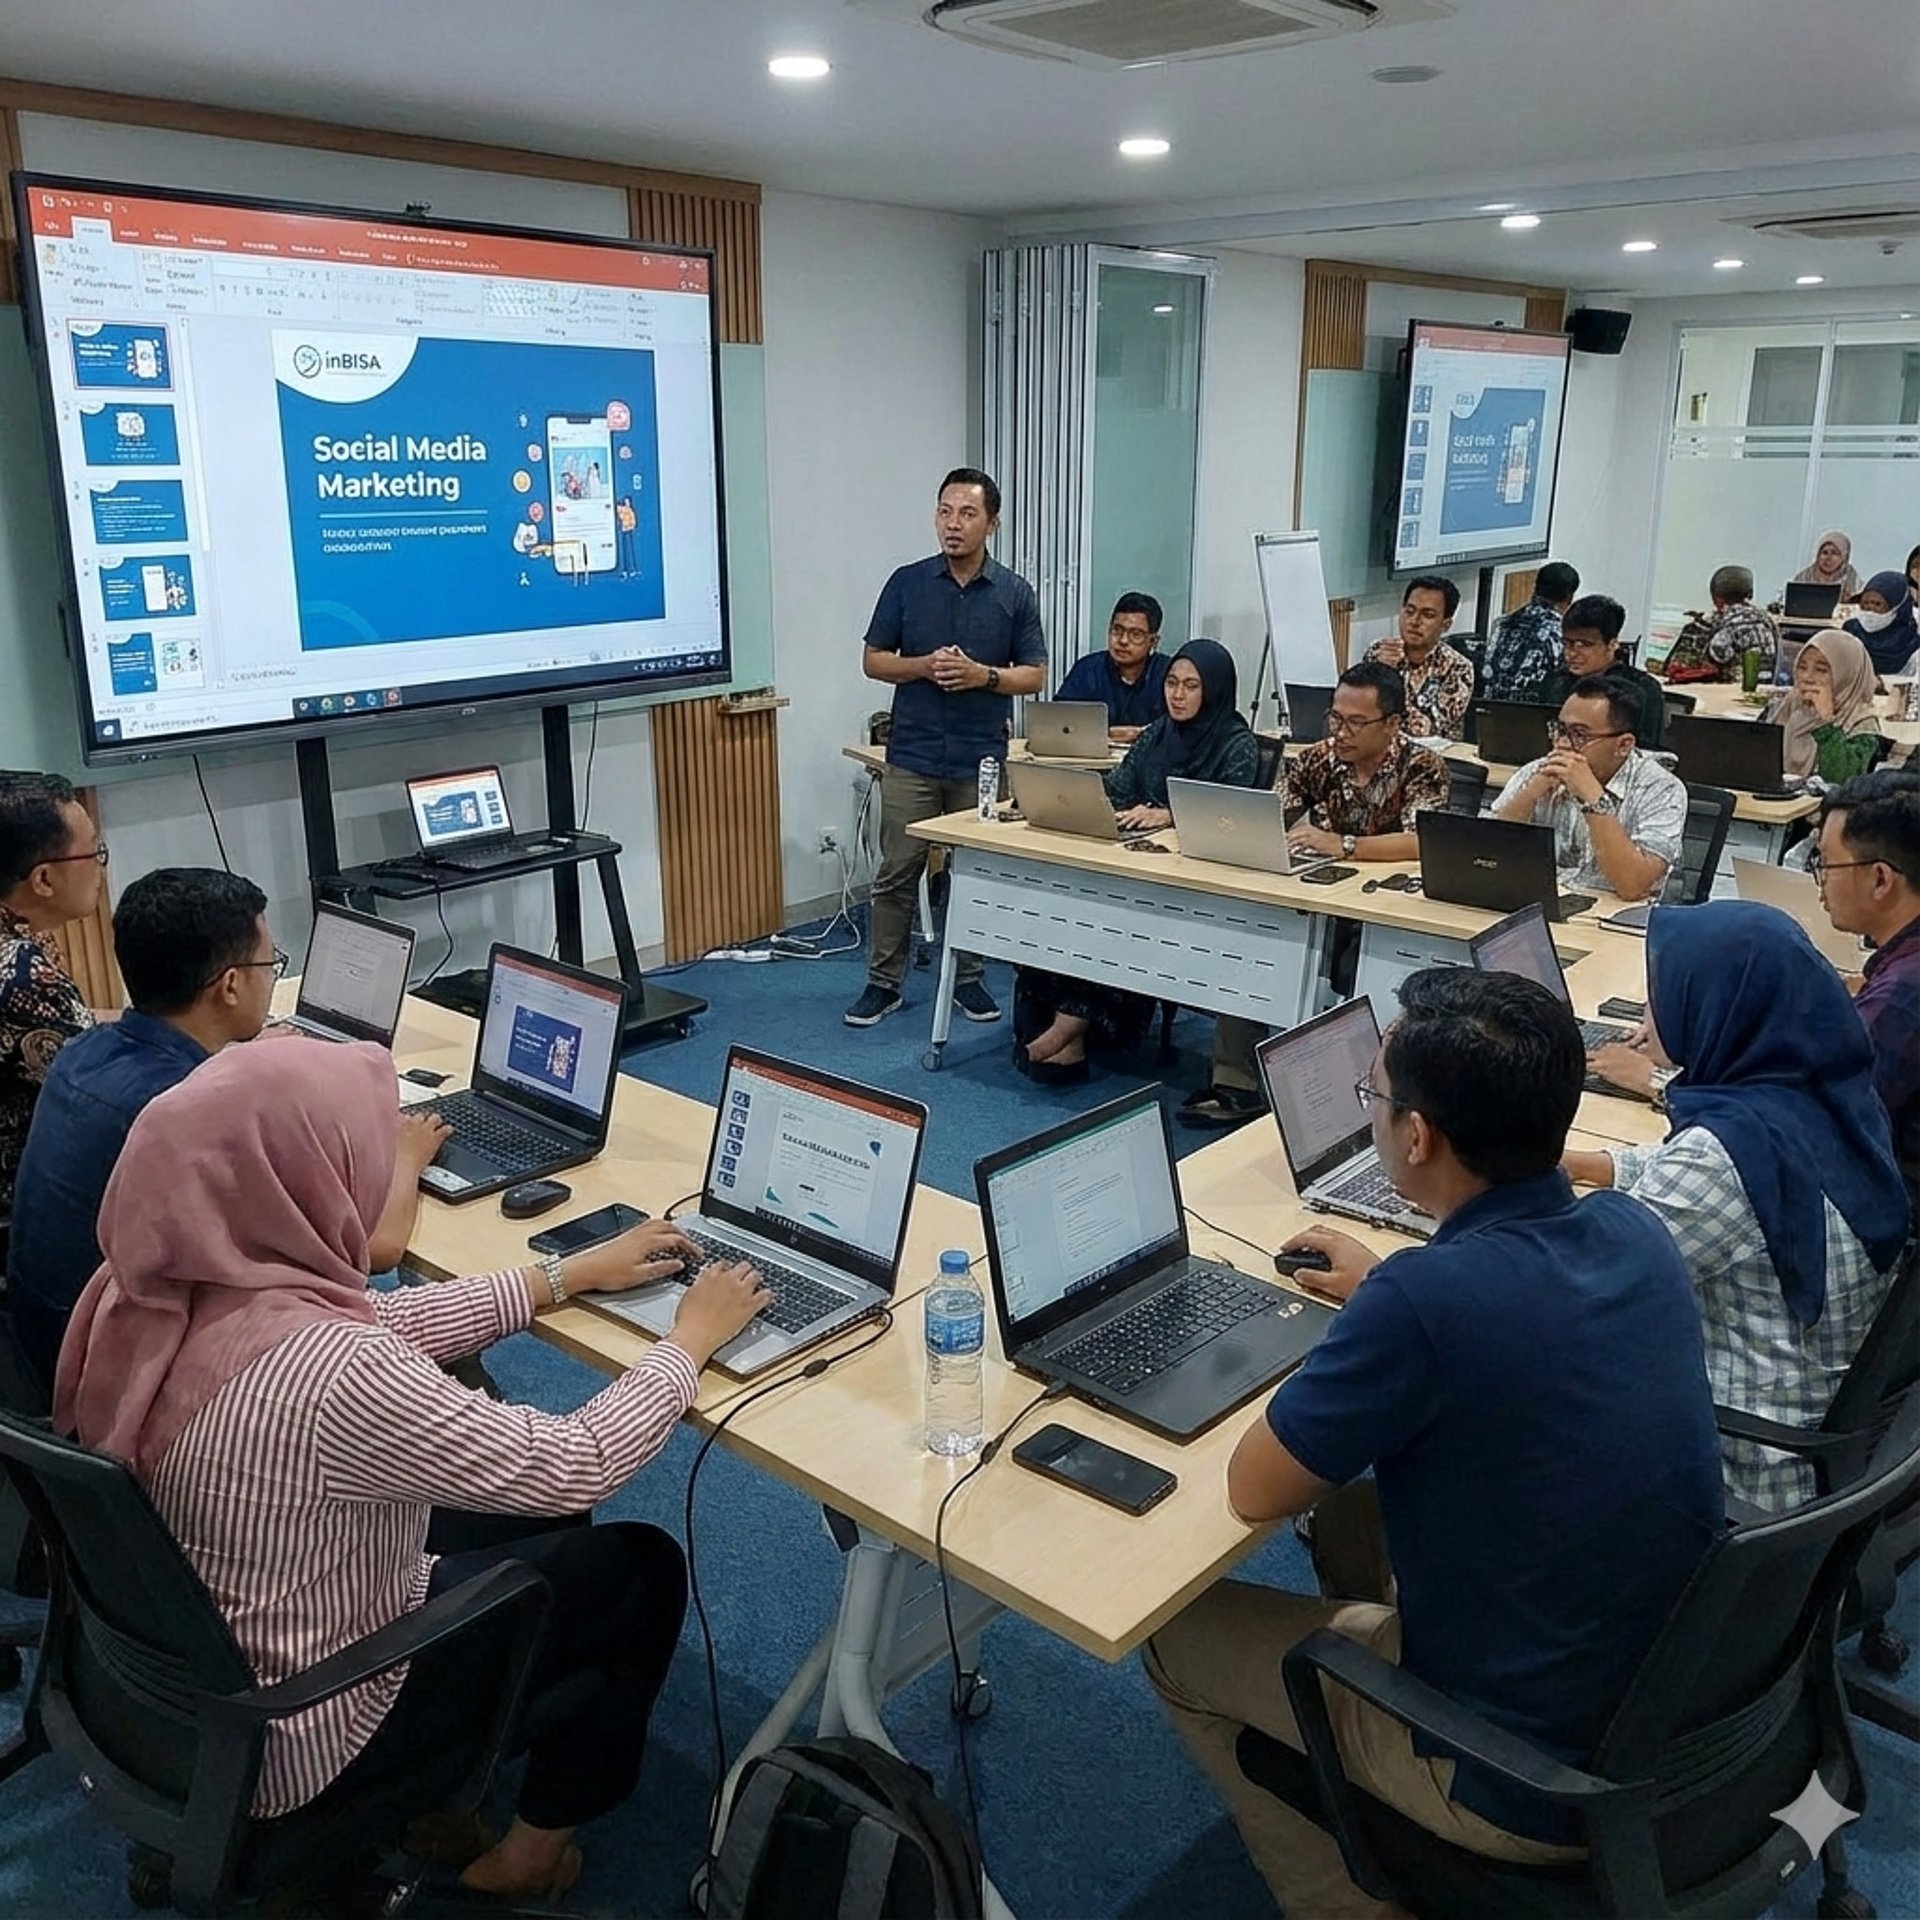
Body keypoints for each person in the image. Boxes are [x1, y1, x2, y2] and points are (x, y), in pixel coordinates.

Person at [54, 1038, 771, 1902]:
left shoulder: (153, 1286)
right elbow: (574, 1463)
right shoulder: (332, 1371)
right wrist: (689, 1341)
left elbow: (381, 1324)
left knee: (521, 1519)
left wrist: (560, 1276)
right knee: (639, 1568)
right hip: (299, 1727)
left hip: (164, 1683)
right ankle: (529, 1860)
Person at [1147, 968, 1722, 1917]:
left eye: (1374, 1097)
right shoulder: (1630, 1229)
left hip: (1519, 1779)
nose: (1372, 1115)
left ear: (1416, 1137)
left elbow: (1254, 1488)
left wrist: (1369, 1322)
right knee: (1353, 1510)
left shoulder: (1425, 1302)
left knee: (1176, 1640)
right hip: (1663, 1703)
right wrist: (1390, 1292)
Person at [7, 870, 448, 1393]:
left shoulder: (84, 1051)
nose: (271, 976)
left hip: (42, 1337)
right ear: (231, 985)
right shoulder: (185, 1117)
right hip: (117, 1377)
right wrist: (406, 1156)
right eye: (270, 964)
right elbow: (376, 1250)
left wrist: (241, 1059)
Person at [1563, 904, 1908, 1510]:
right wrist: (1594, 1164)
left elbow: (1569, 1291)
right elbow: (1692, 1179)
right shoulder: (1824, 1098)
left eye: (1661, 993)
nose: (1649, 1012)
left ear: (1718, 1005)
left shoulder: (1725, 1154)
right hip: (1814, 1440)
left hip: (1735, 1475)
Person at [1179, 661, 1448, 1130]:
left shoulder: (1422, 766)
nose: (1340, 732)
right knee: (1249, 934)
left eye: (1355, 722)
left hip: (1388, 911)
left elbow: (1423, 841)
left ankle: (1363, 1096)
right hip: (1322, 895)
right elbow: (1270, 813)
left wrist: (1344, 845)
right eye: (1335, 718)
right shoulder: (1318, 758)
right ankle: (1238, 1081)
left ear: (1392, 724)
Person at [846, 468, 1047, 1029]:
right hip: (912, 752)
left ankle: (969, 979)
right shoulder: (907, 583)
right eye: (945, 512)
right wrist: (924, 666)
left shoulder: (1014, 593)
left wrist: (983, 675)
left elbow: (1033, 674)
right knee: (897, 871)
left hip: (979, 757)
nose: (953, 524)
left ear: (992, 523)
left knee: (973, 872)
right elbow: (873, 660)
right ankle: (883, 983)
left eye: (967, 514)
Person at [1016, 640, 1255, 1085]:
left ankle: (1068, 1029)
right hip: (1141, 870)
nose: (1177, 695)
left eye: (1191, 686)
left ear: (1215, 689)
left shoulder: (1236, 744)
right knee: (1070, 903)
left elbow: (1230, 817)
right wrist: (1074, 797)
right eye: (1171, 683)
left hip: (1197, 888)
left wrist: (1170, 814)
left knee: (1113, 917)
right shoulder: (1159, 733)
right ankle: (1071, 1040)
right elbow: (1119, 785)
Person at [0, 773, 110, 1215]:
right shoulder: (21, 974)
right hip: (27, 1210)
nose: (101, 865)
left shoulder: (21, 932)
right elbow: (106, 1090)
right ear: (43, 879)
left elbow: (77, 1026)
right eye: (94, 851)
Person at [1812, 770, 1920, 1208]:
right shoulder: (1900, 971)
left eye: (1825, 862)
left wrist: (1664, 1082)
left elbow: (1813, 1123)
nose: (1820, 878)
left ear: (1881, 879)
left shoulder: (1903, 995)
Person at [1492, 677, 1686, 902]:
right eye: (1560, 730)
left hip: (1620, 917)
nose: (1562, 744)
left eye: (1580, 735)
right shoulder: (1537, 771)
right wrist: (1530, 794)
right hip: (1543, 904)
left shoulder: (1661, 789)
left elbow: (1633, 887)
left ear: (1624, 745)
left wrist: (1593, 796)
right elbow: (1487, 856)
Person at [1537, 593, 1666, 748]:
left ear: (1612, 644)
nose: (1572, 653)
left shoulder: (1643, 689)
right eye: (1567, 643)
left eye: (1585, 645)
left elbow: (1649, 750)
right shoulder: (1556, 682)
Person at [1363, 575, 1474, 740]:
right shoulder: (1379, 653)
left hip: (1434, 752)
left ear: (1446, 624)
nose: (1414, 621)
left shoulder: (1459, 668)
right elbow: (1361, 714)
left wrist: (1388, 677)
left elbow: (1425, 730)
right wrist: (1379, 670)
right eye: (1409, 611)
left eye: (1427, 615)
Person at [1770, 628, 1884, 782]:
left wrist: (1826, 722)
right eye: (1802, 667)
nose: (1807, 677)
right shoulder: (1792, 703)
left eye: (1821, 670)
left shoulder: (1863, 724)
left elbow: (1842, 779)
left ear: (1846, 675)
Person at [1054, 591, 1169, 743]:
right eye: (1117, 630)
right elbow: (1058, 723)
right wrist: (1105, 734)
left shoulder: (1169, 673)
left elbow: (1182, 727)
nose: (1123, 640)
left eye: (1135, 634)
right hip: (1093, 755)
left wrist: (1143, 734)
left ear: (1153, 641)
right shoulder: (1087, 669)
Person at [1662, 565, 1780, 683]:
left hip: (1725, 689)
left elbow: (1674, 669)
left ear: (1715, 598)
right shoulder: (1769, 621)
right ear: (1751, 594)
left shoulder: (1710, 625)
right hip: (1765, 686)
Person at [1483, 559, 1579, 703]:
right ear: (1570, 597)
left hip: (1489, 710)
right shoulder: (1562, 633)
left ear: (1535, 588)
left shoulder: (1500, 624)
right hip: (1532, 713)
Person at [1843, 569, 1920, 678]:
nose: (1870, 609)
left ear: (1897, 608)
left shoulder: (1912, 647)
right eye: (1865, 603)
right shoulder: (1850, 633)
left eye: (1877, 604)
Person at [1789, 529, 1863, 603]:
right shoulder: (1804, 578)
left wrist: (1849, 602)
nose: (1828, 558)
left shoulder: (1852, 580)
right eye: (1824, 552)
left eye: (1834, 553)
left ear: (1844, 558)